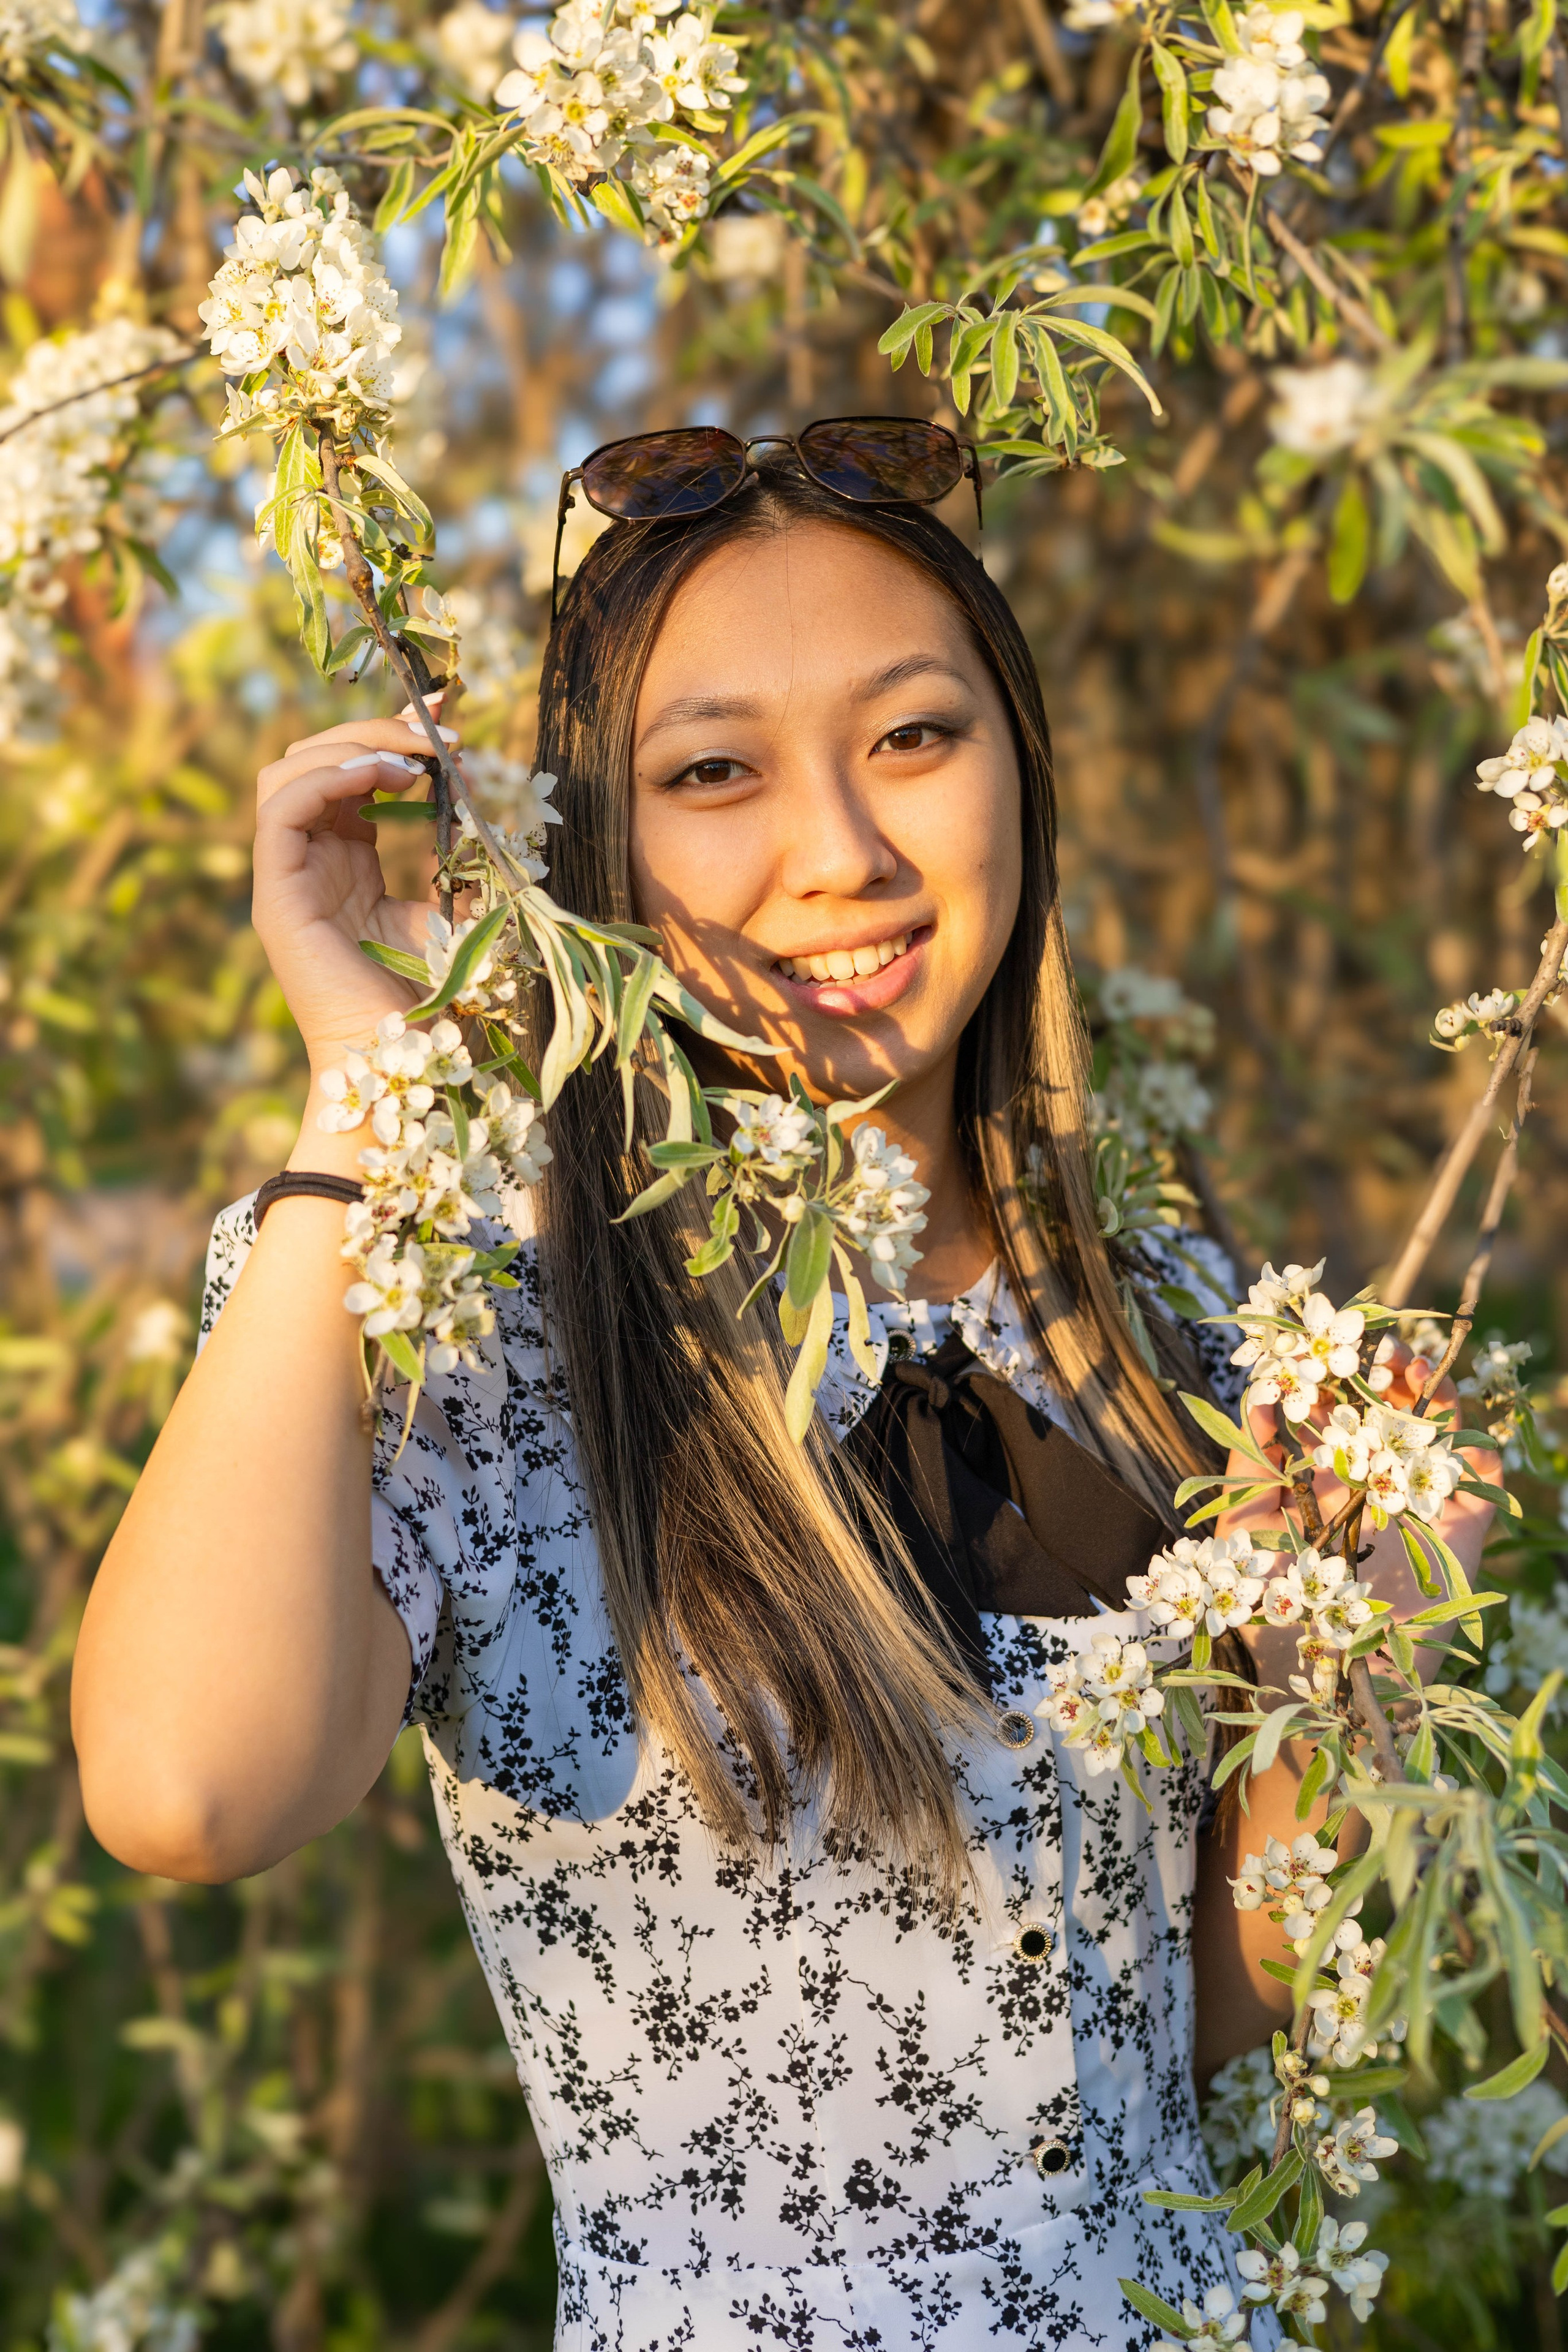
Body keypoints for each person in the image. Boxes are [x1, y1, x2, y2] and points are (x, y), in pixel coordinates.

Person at [72, 449, 1491, 2348]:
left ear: (1020, 771)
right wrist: (363, 1105)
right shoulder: (474, 1315)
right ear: (588, 852)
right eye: (713, 773)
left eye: (914, 737)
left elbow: (1199, 2034)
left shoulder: (1165, 1328)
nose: (842, 851)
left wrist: (1361, 1658)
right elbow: (189, 1788)